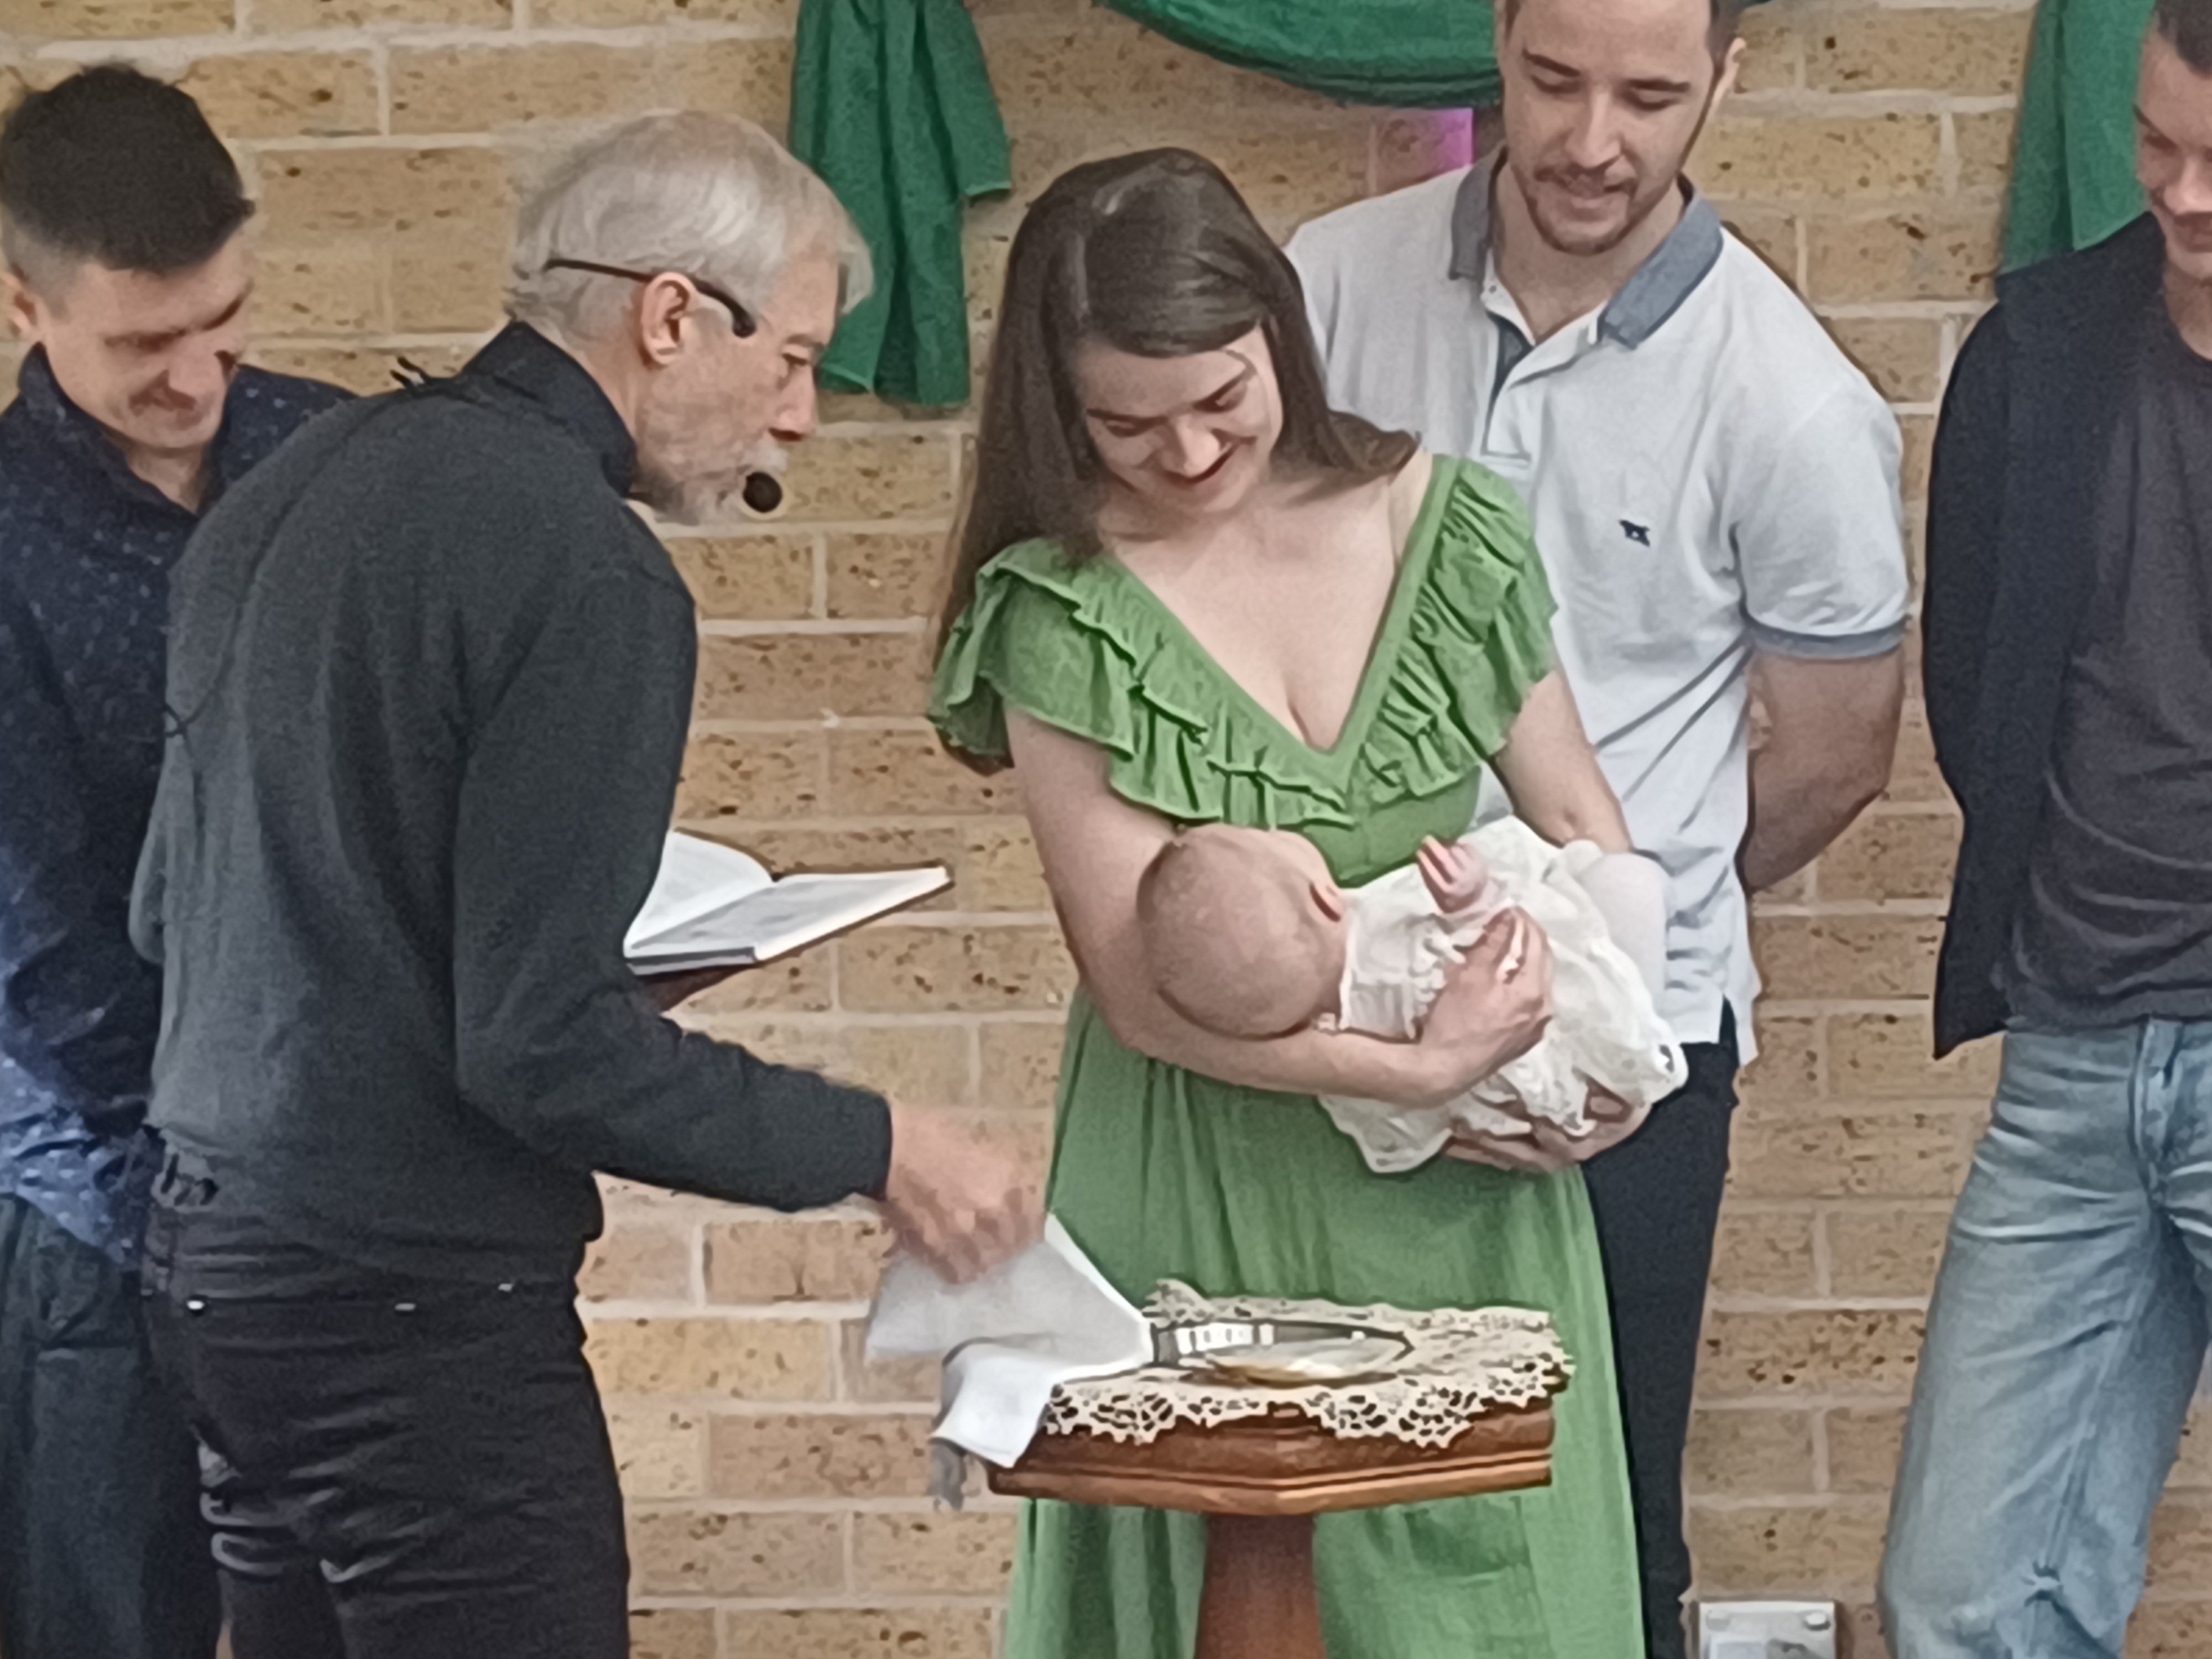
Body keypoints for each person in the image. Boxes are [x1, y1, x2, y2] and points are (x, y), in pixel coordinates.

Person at [130, 112, 1039, 1659]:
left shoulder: (291, 480)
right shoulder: (582, 562)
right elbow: (539, 1047)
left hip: (211, 1268)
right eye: (794, 358)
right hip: (407, 1312)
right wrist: (884, 1144)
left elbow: (173, 913)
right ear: (671, 313)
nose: (801, 417)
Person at [931, 145, 1645, 1657]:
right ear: (1061, 408)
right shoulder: (1060, 604)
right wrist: (1411, 1071)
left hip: (1470, 1180)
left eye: (1220, 399)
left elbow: (1583, 819)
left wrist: (1610, 1070)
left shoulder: (1442, 526)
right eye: (1128, 424)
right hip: (1207, 1169)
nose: (1188, 452)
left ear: (1280, 334)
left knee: (1492, 1598)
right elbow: (1137, 992)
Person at [1285, 0, 1911, 1647]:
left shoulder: (1789, 397)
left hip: (1628, 1053)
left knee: (1598, 1514)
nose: (1587, 141)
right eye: (1552, 81)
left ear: (1725, 78)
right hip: (1340, 1005)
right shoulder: (1325, 288)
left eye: (1645, 96)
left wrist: (1611, 929)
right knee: (1322, 1513)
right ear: (1494, 38)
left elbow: (1836, 755)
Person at [0, 65, 351, 1659]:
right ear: (27, 306)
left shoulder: (337, 457)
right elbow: (40, 948)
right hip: (101, 1192)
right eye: (146, 343)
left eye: (225, 319)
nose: (199, 373)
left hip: (346, 1181)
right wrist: (197, 1189)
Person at [1879, 6, 2212, 1653]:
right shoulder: (2037, 346)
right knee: (1956, 1600)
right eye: (2157, 143)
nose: (2185, 194)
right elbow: (1976, 687)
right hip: (2070, 1050)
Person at [1135, 820, 1682, 1164]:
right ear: (1326, 899)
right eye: (1272, 838)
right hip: (1561, 1029)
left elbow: (1390, 1126)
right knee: (1628, 884)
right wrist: (1474, 901)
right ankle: (1638, 1055)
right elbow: (1496, 955)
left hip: (1511, 1114)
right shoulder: (1386, 927)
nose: (1276, 830)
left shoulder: (1337, 1040)